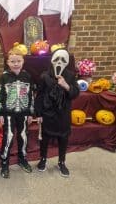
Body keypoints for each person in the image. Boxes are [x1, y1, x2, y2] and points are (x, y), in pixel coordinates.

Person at [34, 47, 79, 177]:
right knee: (45, 138)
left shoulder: (70, 76)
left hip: (63, 113)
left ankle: (61, 161)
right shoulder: (44, 76)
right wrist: (39, 113)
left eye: (63, 59)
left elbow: (75, 93)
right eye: (57, 59)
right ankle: (43, 159)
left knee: (63, 138)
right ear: (52, 60)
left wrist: (66, 85)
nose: (59, 62)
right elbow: (40, 95)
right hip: (48, 112)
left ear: (67, 61)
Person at [0, 46, 34, 179]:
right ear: (8, 62)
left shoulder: (27, 76)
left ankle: (22, 158)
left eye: (18, 61)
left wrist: (30, 112)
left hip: (23, 112)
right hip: (8, 113)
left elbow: (31, 96)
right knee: (9, 136)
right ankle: (4, 162)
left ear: (23, 61)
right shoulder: (4, 77)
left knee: (23, 136)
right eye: (12, 61)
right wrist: (0, 114)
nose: (15, 64)